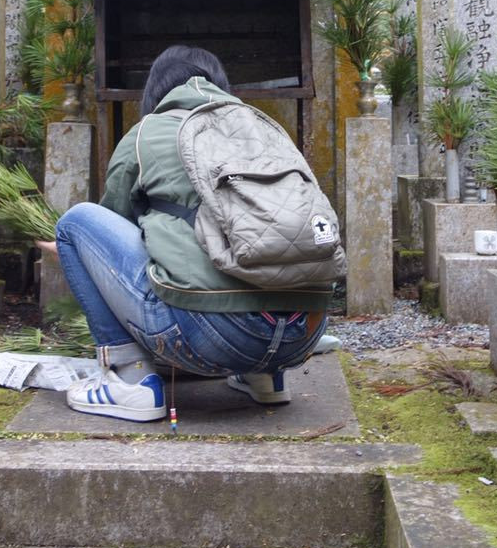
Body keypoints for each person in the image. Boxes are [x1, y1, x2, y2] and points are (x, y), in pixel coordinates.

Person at [54, 45, 333, 422]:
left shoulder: (147, 133)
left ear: (156, 90)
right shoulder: (264, 128)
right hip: (303, 333)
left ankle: (129, 379)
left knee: (77, 223)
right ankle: (267, 378)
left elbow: (113, 223)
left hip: (207, 336)